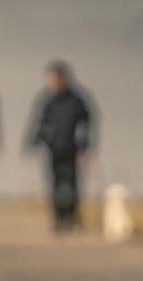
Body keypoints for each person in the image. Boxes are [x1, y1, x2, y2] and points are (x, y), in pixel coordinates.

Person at [26, 60, 96, 231]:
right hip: (53, 149)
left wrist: (84, 146)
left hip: (72, 150)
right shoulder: (48, 99)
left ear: (63, 78)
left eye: (54, 78)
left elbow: (86, 122)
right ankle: (58, 217)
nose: (52, 82)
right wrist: (35, 140)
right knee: (55, 184)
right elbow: (40, 121)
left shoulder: (77, 100)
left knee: (72, 184)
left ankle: (72, 216)